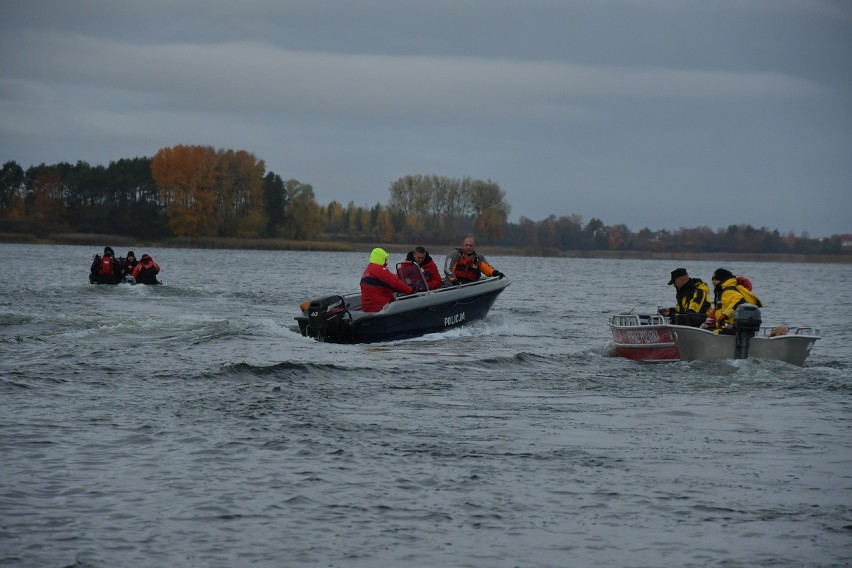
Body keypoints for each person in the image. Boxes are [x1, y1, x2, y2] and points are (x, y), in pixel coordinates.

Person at [707, 267, 763, 334]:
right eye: (712, 280)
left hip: (729, 329)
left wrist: (724, 315)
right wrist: (713, 314)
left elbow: (738, 301)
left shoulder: (728, 290)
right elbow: (723, 306)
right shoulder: (724, 291)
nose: (713, 282)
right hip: (727, 327)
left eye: (716, 280)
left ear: (723, 280)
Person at [360, 247, 415, 312]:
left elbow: (380, 285)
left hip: (367, 308)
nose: (386, 262)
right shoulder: (379, 269)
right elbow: (395, 282)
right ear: (381, 258)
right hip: (380, 307)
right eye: (385, 259)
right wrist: (410, 290)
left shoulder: (367, 270)